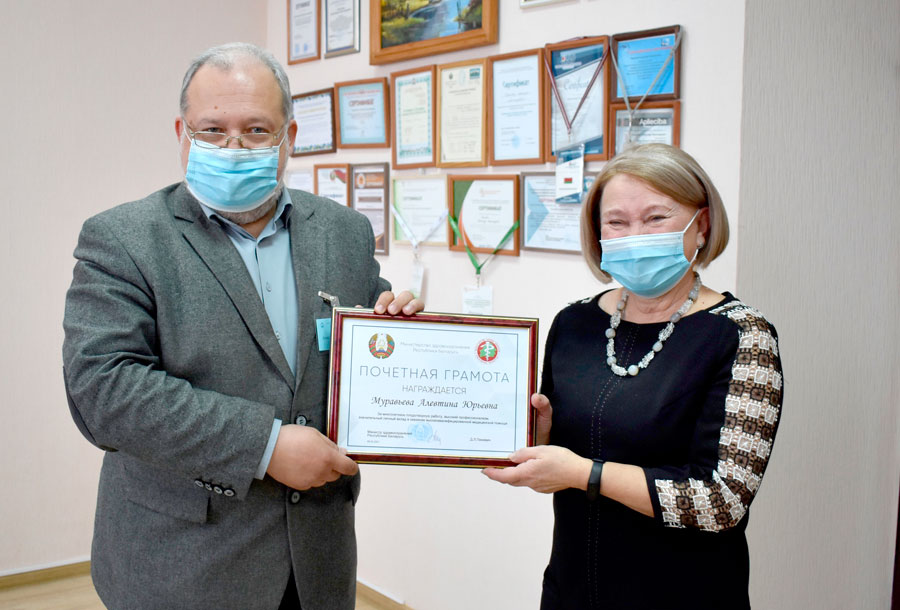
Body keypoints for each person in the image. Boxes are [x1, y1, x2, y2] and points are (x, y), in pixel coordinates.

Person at [62, 43, 422, 610]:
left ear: (289, 137)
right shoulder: (124, 239)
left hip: (317, 560)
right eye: (212, 131)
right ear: (181, 133)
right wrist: (266, 446)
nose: (233, 148)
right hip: (184, 566)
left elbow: (364, 346)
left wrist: (402, 332)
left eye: (256, 130)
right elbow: (104, 390)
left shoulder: (344, 232)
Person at [484, 143, 783, 609]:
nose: (635, 235)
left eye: (656, 217)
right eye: (617, 222)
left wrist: (583, 473)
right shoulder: (574, 323)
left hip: (685, 595)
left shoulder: (743, 335)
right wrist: (536, 435)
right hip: (572, 588)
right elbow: (567, 449)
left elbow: (721, 500)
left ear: (702, 225)